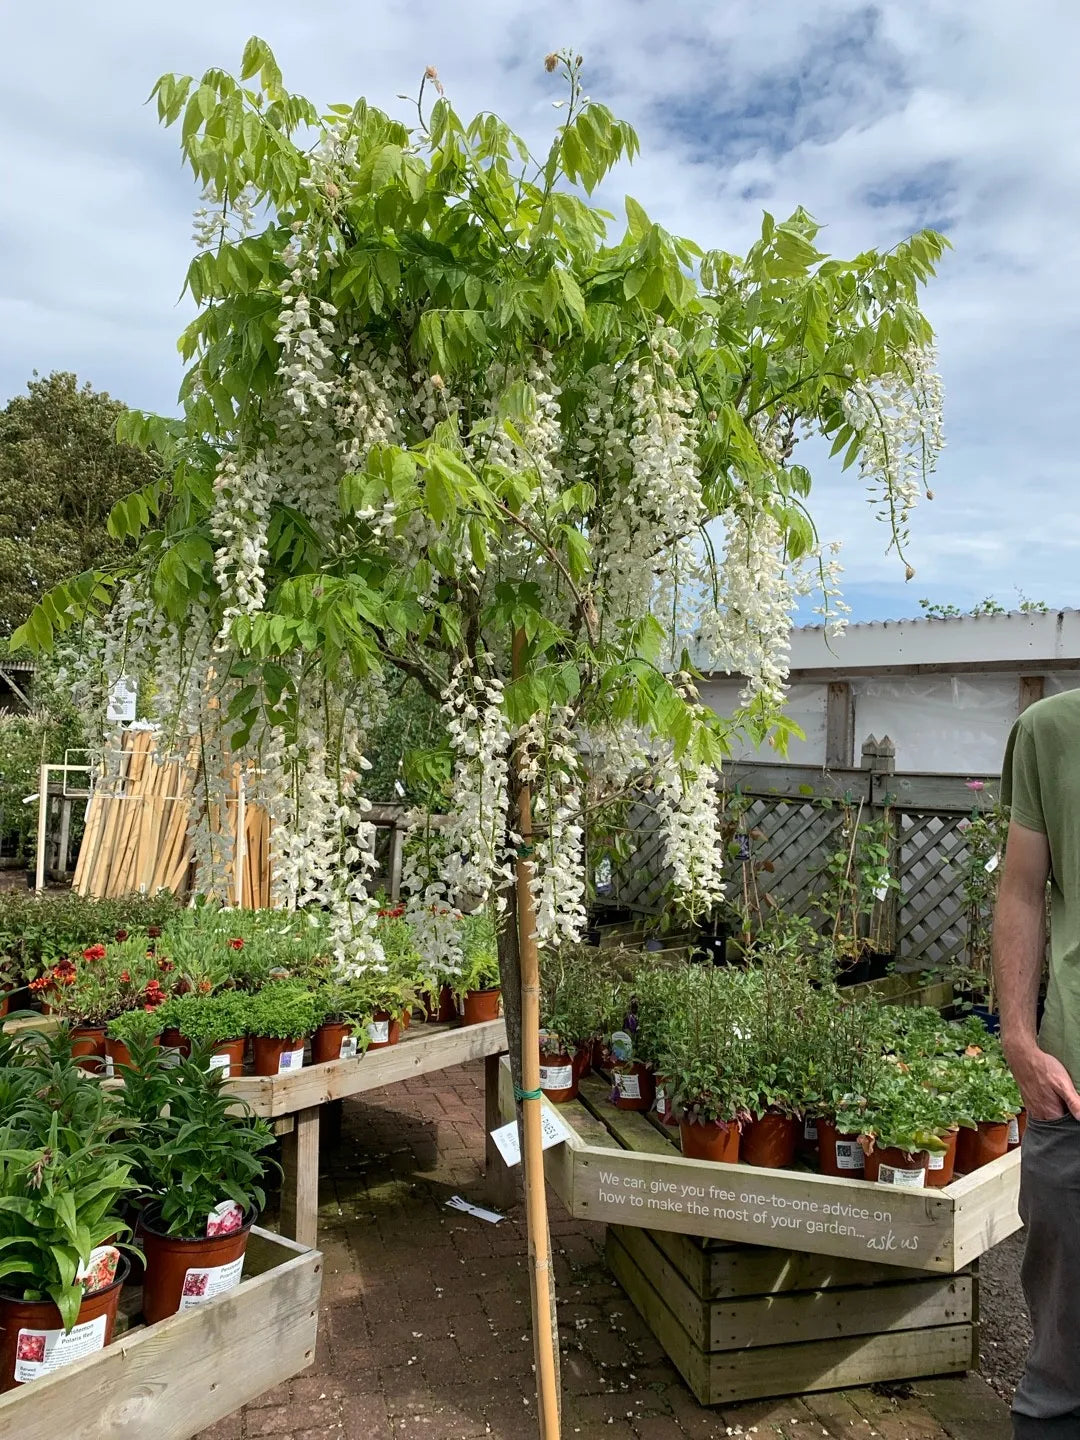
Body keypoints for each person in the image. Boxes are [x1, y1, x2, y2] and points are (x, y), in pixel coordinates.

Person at [995, 689, 1080, 1438]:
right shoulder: (1050, 731)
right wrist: (1019, 1042)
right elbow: (1021, 890)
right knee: (1060, 1365)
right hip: (1073, 1093)